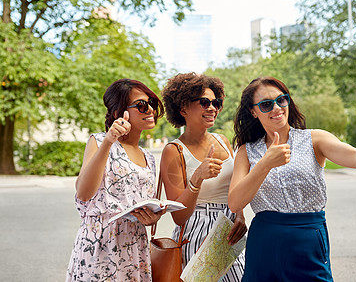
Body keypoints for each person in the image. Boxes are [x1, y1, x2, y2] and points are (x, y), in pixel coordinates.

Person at [228, 76, 356, 281]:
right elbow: (235, 202)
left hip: (308, 241)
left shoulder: (314, 139)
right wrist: (265, 164)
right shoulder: (246, 151)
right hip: (264, 244)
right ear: (253, 111)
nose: (276, 108)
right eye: (266, 104)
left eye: (281, 100)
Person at [66, 78, 166, 281]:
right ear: (118, 113)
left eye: (151, 104)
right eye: (141, 105)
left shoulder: (149, 157)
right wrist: (109, 142)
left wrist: (153, 217)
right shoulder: (99, 141)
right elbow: (84, 193)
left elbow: (144, 206)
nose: (150, 110)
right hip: (101, 244)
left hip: (135, 247)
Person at [160, 72, 247, 281]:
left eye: (216, 103)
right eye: (204, 102)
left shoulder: (223, 141)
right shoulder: (174, 151)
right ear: (182, 108)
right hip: (196, 233)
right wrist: (197, 178)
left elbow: (235, 187)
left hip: (230, 229)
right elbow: (179, 217)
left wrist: (241, 215)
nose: (212, 108)